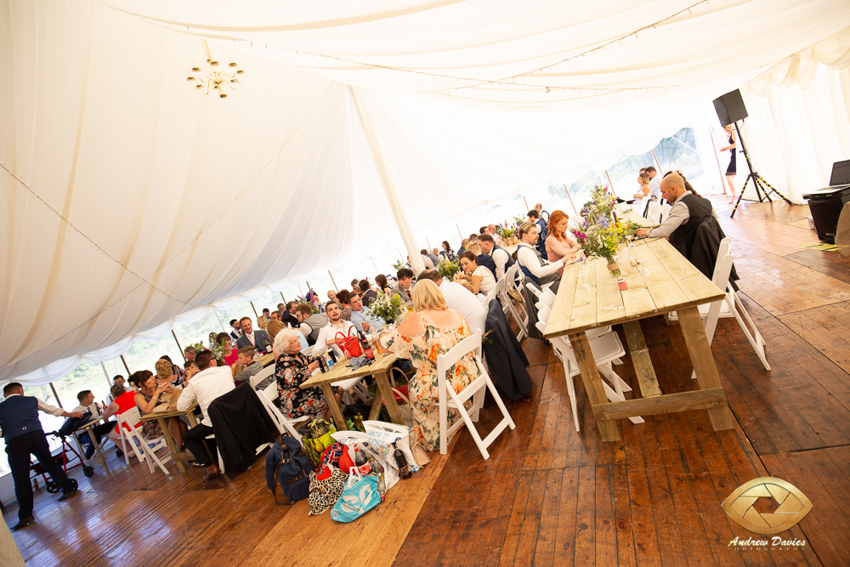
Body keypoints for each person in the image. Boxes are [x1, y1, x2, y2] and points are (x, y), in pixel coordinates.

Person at [379, 280, 478, 452]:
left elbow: (388, 345)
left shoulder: (418, 319)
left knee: (415, 385)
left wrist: (382, 333)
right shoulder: (455, 313)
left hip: (445, 387)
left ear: (416, 298)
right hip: (469, 375)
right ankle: (456, 420)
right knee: (428, 375)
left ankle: (434, 437)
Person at [0, 382, 81, 530]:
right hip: (36, 435)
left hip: (16, 441)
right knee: (49, 463)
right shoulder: (31, 399)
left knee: (21, 477)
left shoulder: (1, 407)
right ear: (20, 390)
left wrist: (7, 432)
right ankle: (68, 489)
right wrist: (71, 414)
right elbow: (52, 410)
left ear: (5, 395)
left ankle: (26, 515)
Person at [177, 350, 236, 480]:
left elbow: (180, 406)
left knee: (189, 437)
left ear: (197, 366)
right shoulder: (226, 369)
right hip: (236, 414)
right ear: (212, 361)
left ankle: (210, 466)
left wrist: (191, 380)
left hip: (216, 422)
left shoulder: (194, 382)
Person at [635, 172, 718, 258]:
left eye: (664, 192)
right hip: (709, 251)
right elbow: (716, 224)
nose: (662, 196)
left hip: (690, 256)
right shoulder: (706, 201)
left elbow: (665, 230)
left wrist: (648, 232)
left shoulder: (681, 206)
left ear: (673, 189)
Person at [273, 328, 329, 421]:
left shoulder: (297, 354)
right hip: (296, 402)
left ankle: (332, 423)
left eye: (297, 338)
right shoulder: (282, 363)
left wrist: (322, 358)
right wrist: (311, 367)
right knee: (330, 398)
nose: (298, 342)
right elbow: (294, 381)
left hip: (309, 392)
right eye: (294, 341)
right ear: (285, 348)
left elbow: (310, 360)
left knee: (337, 390)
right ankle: (328, 426)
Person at [417, 270, 486, 334]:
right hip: (484, 325)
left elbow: (435, 323)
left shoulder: (441, 296)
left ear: (429, 284)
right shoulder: (454, 285)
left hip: (474, 335)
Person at [135, 370, 186, 453]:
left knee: (180, 421)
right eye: (148, 378)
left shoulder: (155, 387)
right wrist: (157, 392)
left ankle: (185, 447)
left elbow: (179, 393)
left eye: (151, 376)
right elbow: (148, 410)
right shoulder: (139, 396)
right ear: (141, 384)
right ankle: (180, 449)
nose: (152, 378)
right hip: (152, 425)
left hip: (164, 418)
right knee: (173, 420)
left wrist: (170, 387)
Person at [516, 221, 564, 292]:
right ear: (524, 235)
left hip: (551, 282)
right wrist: (562, 261)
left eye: (537, 233)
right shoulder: (525, 251)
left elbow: (542, 261)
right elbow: (539, 273)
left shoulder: (527, 249)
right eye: (534, 233)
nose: (537, 235)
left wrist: (556, 266)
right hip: (550, 286)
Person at [71, 390, 119, 458]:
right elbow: (68, 427)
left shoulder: (95, 405)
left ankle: (118, 446)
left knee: (116, 424)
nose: (94, 397)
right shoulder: (76, 412)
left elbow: (103, 414)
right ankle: (87, 459)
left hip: (95, 428)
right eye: (91, 397)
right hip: (83, 434)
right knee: (95, 438)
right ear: (85, 400)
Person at [104, 383, 137, 456]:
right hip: (139, 420)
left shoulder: (114, 404)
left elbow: (105, 415)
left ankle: (130, 452)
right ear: (124, 389)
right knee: (135, 429)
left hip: (128, 427)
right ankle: (143, 446)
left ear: (113, 394)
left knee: (112, 436)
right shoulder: (134, 393)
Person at [545, 210, 581, 276]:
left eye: (566, 223)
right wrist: (574, 249)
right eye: (563, 224)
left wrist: (575, 246)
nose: (566, 226)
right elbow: (564, 253)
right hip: (560, 273)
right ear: (554, 224)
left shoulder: (561, 235)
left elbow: (572, 243)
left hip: (568, 267)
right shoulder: (551, 239)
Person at [720, 124, 738, 200]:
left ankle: (735, 194)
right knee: (731, 175)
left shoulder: (734, 131)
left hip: (735, 154)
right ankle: (735, 193)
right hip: (733, 154)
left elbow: (736, 144)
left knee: (729, 175)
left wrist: (726, 148)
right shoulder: (731, 133)